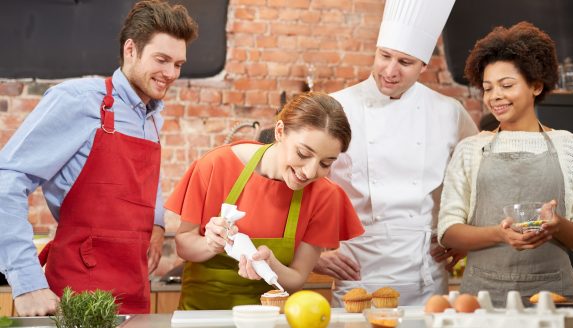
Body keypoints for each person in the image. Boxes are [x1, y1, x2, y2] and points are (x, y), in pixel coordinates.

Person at [0, 0, 198, 315]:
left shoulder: (151, 118)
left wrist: (157, 225)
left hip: (135, 292)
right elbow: (6, 180)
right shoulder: (78, 101)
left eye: (178, 64)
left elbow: (146, 182)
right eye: (162, 60)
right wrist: (27, 282)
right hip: (77, 296)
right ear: (131, 50)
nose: (171, 74)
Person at [313, 0, 479, 306]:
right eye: (384, 56)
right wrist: (313, 253)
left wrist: (465, 238)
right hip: (356, 272)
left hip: (425, 272)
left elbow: (481, 177)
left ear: (424, 66)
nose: (389, 71)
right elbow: (300, 185)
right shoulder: (334, 108)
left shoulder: (448, 112)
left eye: (404, 62)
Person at [438, 21, 573, 306]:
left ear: (536, 85)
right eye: (488, 88)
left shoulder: (572, 147)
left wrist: (558, 226)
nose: (495, 96)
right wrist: (500, 235)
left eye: (507, 85)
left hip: (553, 297)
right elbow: (448, 231)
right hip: (481, 299)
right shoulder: (470, 149)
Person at [165, 92, 365, 310]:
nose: (309, 172)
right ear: (280, 131)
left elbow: (297, 278)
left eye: (325, 163)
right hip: (202, 316)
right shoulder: (216, 165)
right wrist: (211, 244)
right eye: (303, 153)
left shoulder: (325, 196)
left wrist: (271, 264)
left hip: (269, 319)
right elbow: (184, 243)